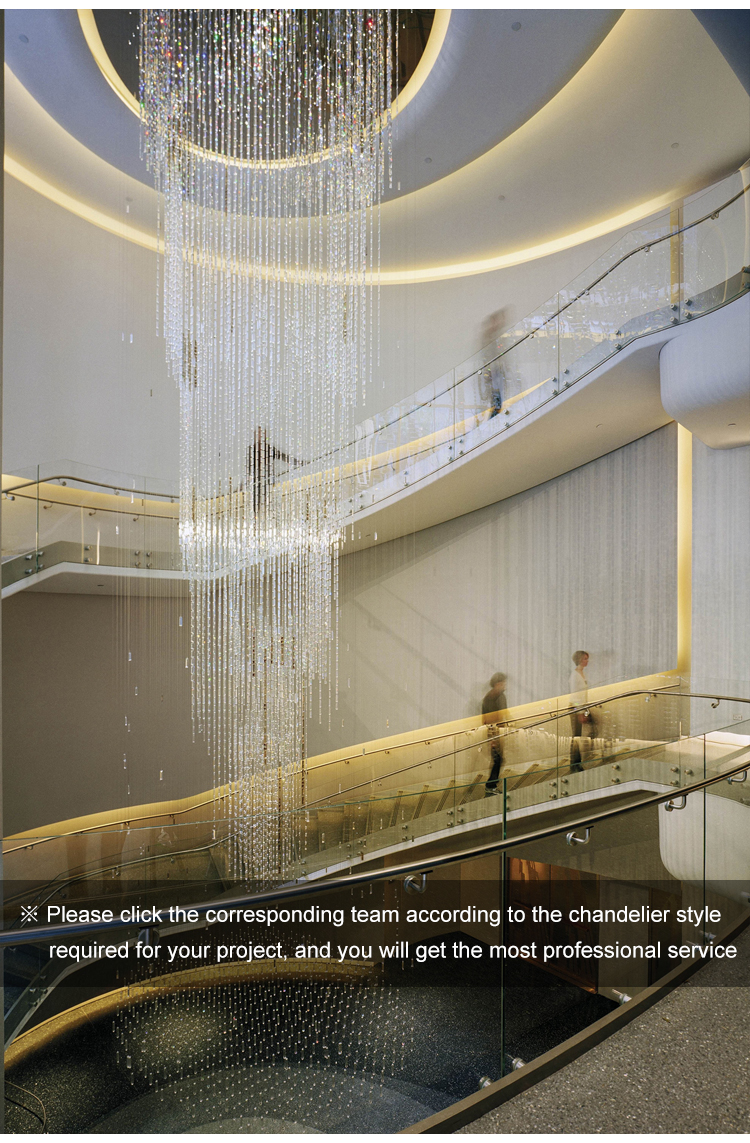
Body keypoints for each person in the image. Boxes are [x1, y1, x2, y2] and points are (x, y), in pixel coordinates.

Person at [568, 650, 596, 772]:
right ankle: (574, 763)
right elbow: (575, 696)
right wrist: (579, 712)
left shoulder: (582, 673)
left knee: (590, 730)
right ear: (579, 660)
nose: (587, 661)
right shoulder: (575, 676)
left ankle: (581, 760)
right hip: (576, 708)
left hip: (582, 707)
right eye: (585, 659)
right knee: (576, 736)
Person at [482, 672, 507, 795]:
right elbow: (490, 719)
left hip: (497, 731)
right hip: (494, 732)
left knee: (499, 758)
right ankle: (490, 786)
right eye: (503, 683)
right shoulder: (492, 698)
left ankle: (491, 785)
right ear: (498, 684)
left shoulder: (495, 697)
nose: (505, 685)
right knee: (498, 759)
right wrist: (492, 738)